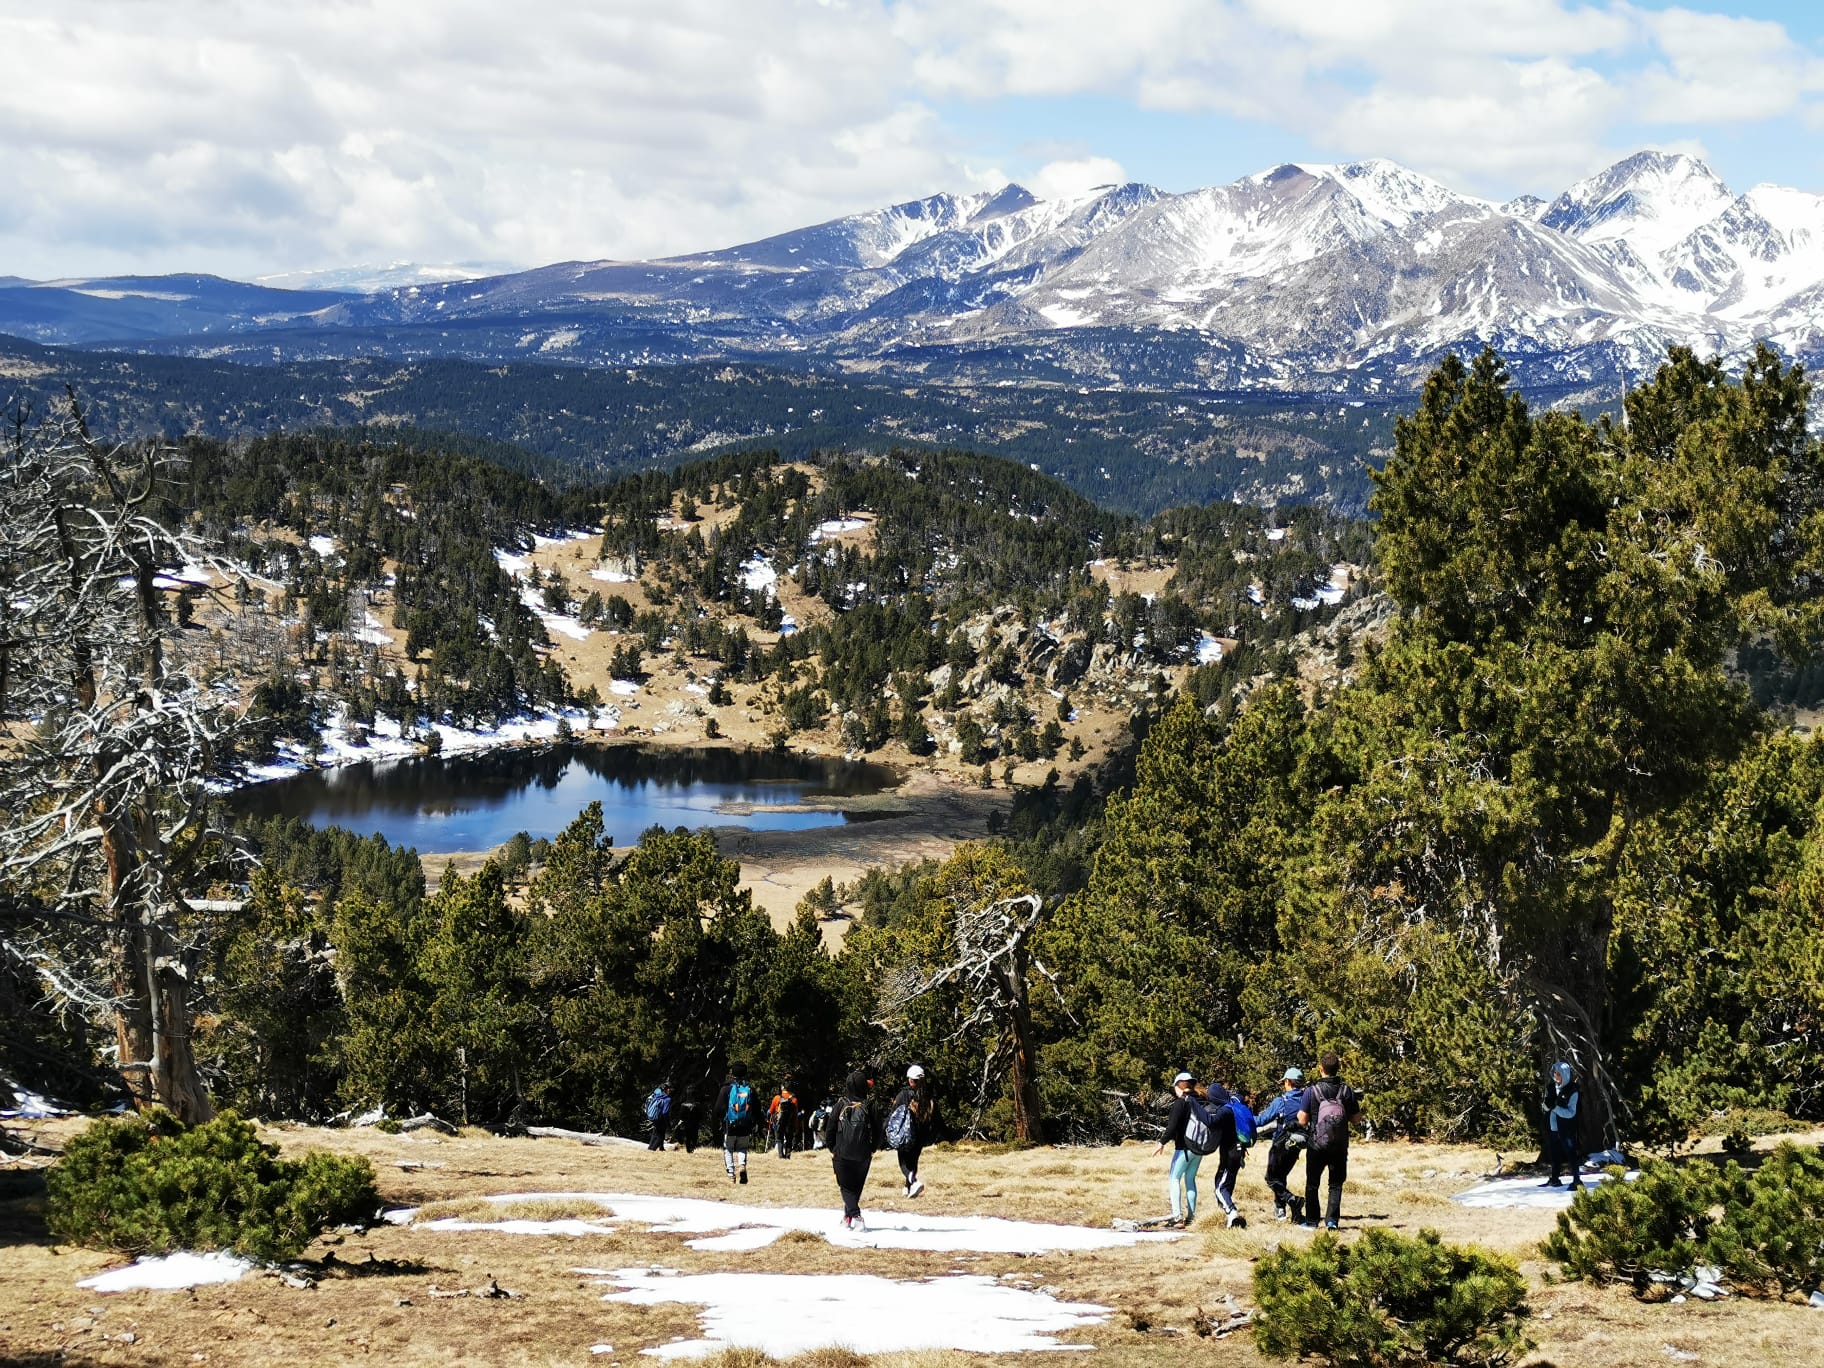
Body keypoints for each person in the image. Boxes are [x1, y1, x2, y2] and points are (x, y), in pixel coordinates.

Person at [1297, 1051, 1361, 1231]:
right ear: (1338, 1068)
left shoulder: (1312, 1091)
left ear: (1320, 1068)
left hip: (1316, 1145)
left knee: (1312, 1183)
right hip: (1339, 1146)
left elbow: (1302, 1119)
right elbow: (1356, 1120)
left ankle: (1311, 1221)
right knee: (1335, 1184)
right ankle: (1332, 1221)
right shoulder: (1347, 1090)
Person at [1254, 1067, 1308, 1223]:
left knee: (1271, 1178)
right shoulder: (1306, 1100)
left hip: (1280, 1145)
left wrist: (1242, 1117)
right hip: (1296, 1145)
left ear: (1288, 1082)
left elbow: (1261, 1120)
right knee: (1280, 1177)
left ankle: (1292, 1201)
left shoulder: (1281, 1101)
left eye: (1284, 1082)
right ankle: (1282, 1212)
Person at [1151, 1071, 1204, 1228]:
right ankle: (1192, 1217)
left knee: (1174, 1178)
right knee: (1190, 1180)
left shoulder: (1180, 1103)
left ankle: (1177, 1217)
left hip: (1183, 1148)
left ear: (1179, 1086)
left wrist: (1162, 1142)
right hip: (1199, 1148)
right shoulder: (1200, 1100)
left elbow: (1172, 1127)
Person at [825, 1069, 876, 1230]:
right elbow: (878, 1130)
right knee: (855, 1187)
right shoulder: (870, 1105)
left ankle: (856, 1217)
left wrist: (833, 1148)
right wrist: (872, 1148)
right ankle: (847, 1217)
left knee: (846, 1187)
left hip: (842, 1153)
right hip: (863, 1154)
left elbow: (830, 1129)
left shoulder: (841, 1104)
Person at [1204, 1080, 1247, 1228]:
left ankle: (1232, 1212)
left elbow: (1210, 1121)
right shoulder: (1235, 1105)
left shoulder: (1226, 1111)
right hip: (1238, 1152)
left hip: (1231, 1154)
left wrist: (1193, 1104)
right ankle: (1227, 1215)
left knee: (1220, 1188)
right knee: (1224, 1182)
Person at [889, 1064, 936, 1197]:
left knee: (903, 1163)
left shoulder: (904, 1094)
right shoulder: (928, 1096)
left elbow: (893, 1115)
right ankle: (908, 1188)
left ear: (910, 1080)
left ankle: (913, 1181)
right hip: (921, 1136)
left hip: (905, 1135)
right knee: (913, 1162)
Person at [714, 1063, 759, 1185]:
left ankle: (731, 1174)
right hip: (745, 1125)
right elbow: (757, 1109)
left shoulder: (726, 1089)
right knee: (742, 1148)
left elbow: (718, 1109)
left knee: (728, 1148)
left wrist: (721, 1119)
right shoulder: (750, 1089)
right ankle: (742, 1166)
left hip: (730, 1125)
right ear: (745, 1073)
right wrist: (757, 1123)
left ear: (732, 1073)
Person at [1543, 1061, 1584, 1189]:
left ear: (1565, 1074)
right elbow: (1547, 1103)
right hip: (1552, 1127)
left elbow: (1571, 1113)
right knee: (1554, 1153)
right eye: (1554, 1073)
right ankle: (1555, 1179)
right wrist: (1545, 1107)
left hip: (1566, 1128)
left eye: (1559, 1074)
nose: (1556, 1076)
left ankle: (1577, 1180)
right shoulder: (1551, 1087)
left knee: (1571, 1153)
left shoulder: (1573, 1090)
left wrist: (1555, 1107)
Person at [769, 1077, 801, 1160]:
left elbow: (771, 1111)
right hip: (790, 1122)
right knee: (789, 1139)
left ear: (783, 1087)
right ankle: (788, 1155)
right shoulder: (794, 1100)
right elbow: (795, 1114)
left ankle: (780, 1155)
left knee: (779, 1138)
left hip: (779, 1122)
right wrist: (796, 1125)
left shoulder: (777, 1098)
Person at [644, 1081, 673, 1152]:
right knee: (661, 1136)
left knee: (655, 1133)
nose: (671, 1090)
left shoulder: (657, 1095)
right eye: (670, 1089)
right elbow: (665, 1112)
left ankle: (651, 1148)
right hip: (661, 1119)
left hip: (655, 1117)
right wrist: (668, 1124)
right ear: (667, 1089)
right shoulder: (667, 1099)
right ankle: (652, 1149)